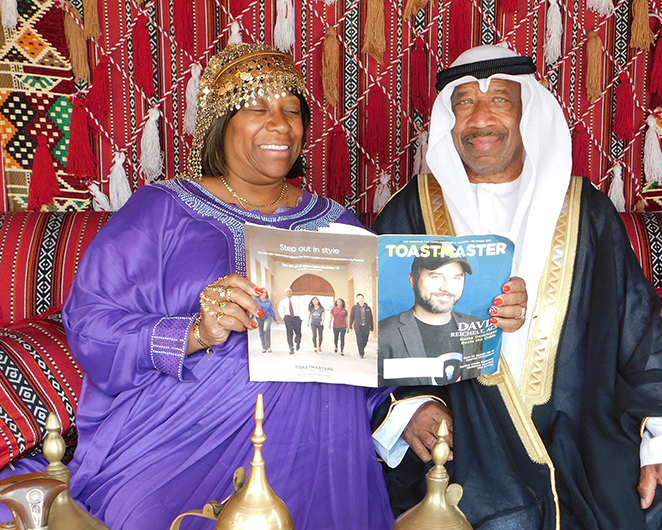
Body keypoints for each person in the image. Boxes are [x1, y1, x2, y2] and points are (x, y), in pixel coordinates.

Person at [0, 43, 395, 530]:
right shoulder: (162, 210)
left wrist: (404, 409)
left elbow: (371, 343)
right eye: (258, 107)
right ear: (220, 123)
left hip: (321, 439)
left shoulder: (339, 225)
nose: (281, 124)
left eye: (292, 111)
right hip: (182, 429)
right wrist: (194, 332)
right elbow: (91, 322)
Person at [371, 45, 662, 529]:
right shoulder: (410, 213)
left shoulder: (589, 213)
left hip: (584, 436)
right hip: (467, 445)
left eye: (499, 100)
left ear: (528, 115)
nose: (480, 119)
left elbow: (639, 339)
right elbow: (375, 340)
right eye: (464, 103)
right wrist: (408, 409)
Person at [378, 247, 483, 386]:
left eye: (456, 278)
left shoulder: (474, 326)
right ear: (412, 280)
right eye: (436, 276)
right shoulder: (383, 333)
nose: (447, 288)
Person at [349, 294, 374, 358]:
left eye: (362, 298)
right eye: (359, 298)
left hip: (366, 326)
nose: (361, 299)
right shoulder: (355, 307)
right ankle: (361, 353)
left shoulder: (368, 308)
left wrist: (372, 328)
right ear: (357, 299)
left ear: (364, 299)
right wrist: (350, 326)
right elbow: (351, 317)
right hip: (358, 326)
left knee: (365, 340)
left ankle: (362, 348)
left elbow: (371, 318)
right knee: (359, 340)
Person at [278, 287, 302, 354]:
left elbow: (302, 308)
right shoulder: (282, 301)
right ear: (285, 293)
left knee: (298, 332)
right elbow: (280, 310)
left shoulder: (297, 300)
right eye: (287, 292)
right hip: (288, 317)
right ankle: (291, 347)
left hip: (296, 317)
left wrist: (301, 317)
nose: (288, 293)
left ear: (292, 292)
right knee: (289, 332)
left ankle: (298, 342)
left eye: (289, 292)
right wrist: (284, 317)